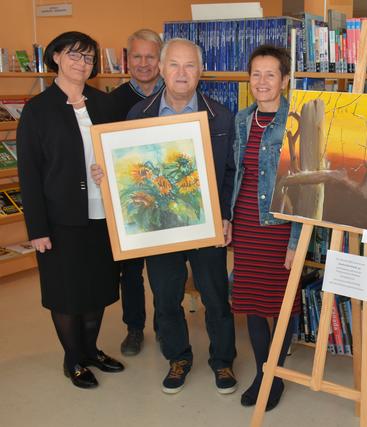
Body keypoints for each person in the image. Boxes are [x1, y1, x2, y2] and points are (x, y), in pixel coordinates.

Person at [92, 37, 237, 395]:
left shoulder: (221, 115)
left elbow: (233, 171)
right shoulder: (138, 115)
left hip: (208, 226)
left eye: (189, 65)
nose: (181, 73)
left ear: (200, 72)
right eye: (174, 64)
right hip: (160, 230)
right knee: (166, 297)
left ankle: (223, 361)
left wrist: (226, 215)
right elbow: (131, 168)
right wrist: (107, 174)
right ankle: (178, 357)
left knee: (216, 296)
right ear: (161, 68)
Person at [17, 31, 124, 389]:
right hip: (60, 219)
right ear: (57, 57)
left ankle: (91, 350)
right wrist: (37, 229)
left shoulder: (104, 103)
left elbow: (118, 154)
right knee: (66, 292)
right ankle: (73, 359)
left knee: (98, 288)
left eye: (89, 58)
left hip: (103, 215)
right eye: (75, 55)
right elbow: (29, 173)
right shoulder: (38, 110)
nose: (83, 63)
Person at [230, 45, 301, 411]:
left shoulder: (298, 121)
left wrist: (296, 241)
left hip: (279, 230)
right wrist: (228, 220)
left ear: (284, 80)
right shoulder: (242, 119)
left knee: (282, 305)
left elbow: (306, 189)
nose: (262, 81)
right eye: (256, 74)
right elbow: (237, 174)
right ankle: (262, 372)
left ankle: (275, 374)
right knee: (253, 304)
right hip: (246, 225)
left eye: (270, 74)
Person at [110, 29, 165, 357]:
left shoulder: (173, 96)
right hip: (127, 203)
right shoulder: (111, 102)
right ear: (127, 59)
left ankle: (165, 324)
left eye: (150, 57)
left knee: (163, 269)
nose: (144, 64)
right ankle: (134, 328)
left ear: (159, 60)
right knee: (130, 271)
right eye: (137, 56)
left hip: (163, 199)